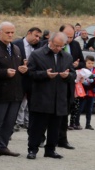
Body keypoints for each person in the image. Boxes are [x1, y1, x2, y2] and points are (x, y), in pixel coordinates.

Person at [26, 31, 74, 160]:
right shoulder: (37, 54)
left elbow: (73, 75)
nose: (58, 49)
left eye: (61, 46)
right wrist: (44, 74)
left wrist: (67, 76)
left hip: (59, 98)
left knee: (55, 127)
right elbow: (29, 73)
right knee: (37, 126)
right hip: (42, 97)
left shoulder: (67, 57)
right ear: (50, 42)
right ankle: (32, 150)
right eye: (56, 45)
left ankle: (50, 150)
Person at [0, 22, 28, 157]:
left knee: (9, 122)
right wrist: (4, 73)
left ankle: (2, 146)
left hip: (15, 91)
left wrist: (23, 69)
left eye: (12, 32)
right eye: (7, 32)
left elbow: (19, 66)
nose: (10, 35)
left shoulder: (16, 49)